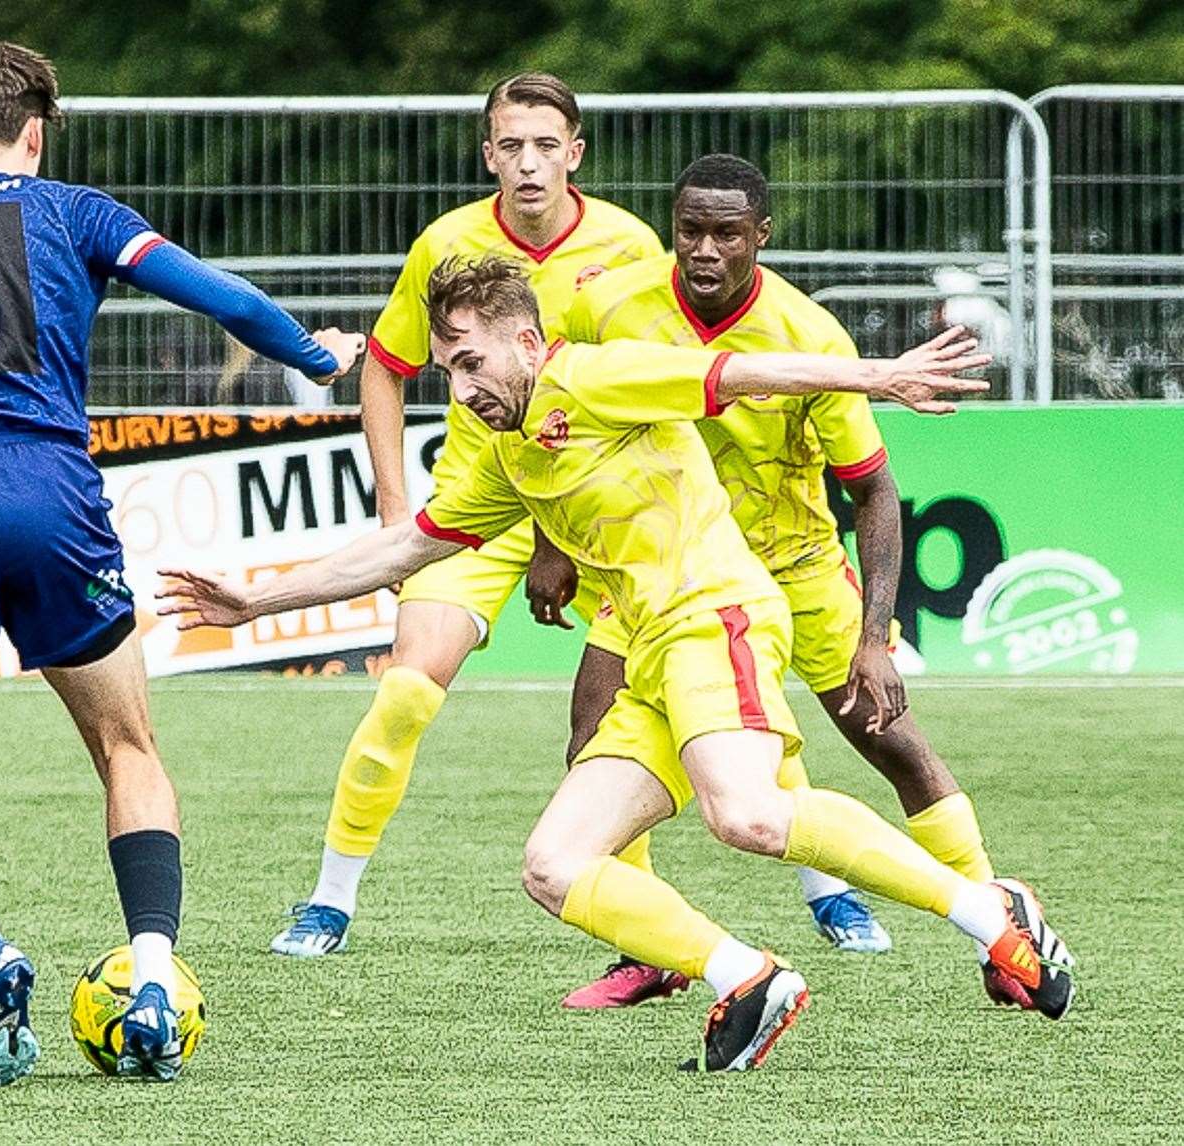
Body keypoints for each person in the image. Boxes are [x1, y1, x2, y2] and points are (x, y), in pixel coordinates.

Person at [158, 256, 1074, 1073]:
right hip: (652, 657)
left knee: (747, 814)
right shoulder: (505, 448)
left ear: (526, 340)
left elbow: (739, 373)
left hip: (716, 618)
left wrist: (882, 376)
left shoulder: (593, 375)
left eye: (472, 361)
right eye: (446, 371)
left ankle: (992, 913)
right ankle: (747, 977)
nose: (461, 386)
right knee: (554, 866)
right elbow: (403, 548)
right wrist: (255, 601)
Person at [0, 40, 363, 1086]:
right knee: (128, 748)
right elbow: (221, 298)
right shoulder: (78, 212)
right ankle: (152, 975)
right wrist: (318, 354)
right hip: (52, 494)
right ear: (36, 133)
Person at [543, 152, 1029, 1008]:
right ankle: (649, 948)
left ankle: (999, 916)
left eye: (725, 234)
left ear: (759, 238)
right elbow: (555, 408)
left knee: (889, 740)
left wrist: (876, 638)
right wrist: (551, 544)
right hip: (669, 574)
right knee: (590, 734)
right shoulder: (607, 303)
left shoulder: (809, 336)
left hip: (792, 567)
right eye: (689, 229)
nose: (703, 249)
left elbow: (872, 491)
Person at [270, 72, 663, 959]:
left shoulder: (629, 246)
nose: (528, 164)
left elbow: (650, 386)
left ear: (576, 153)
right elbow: (383, 366)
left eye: (545, 145)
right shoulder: (445, 243)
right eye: (509, 146)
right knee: (406, 692)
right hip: (476, 509)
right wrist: (395, 508)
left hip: (596, 511)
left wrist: (570, 538)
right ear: (488, 154)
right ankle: (330, 900)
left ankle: (809, 891)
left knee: (637, 716)